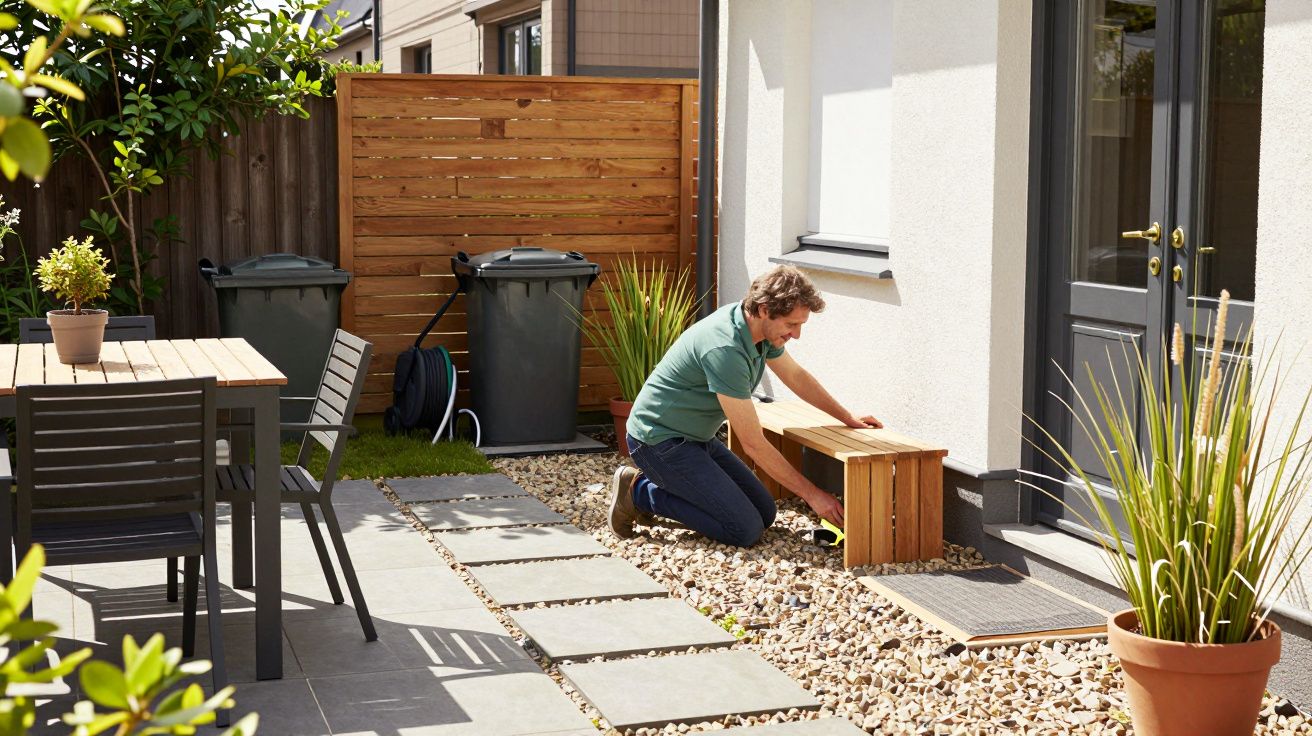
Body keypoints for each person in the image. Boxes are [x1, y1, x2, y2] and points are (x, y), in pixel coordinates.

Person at [609, 265, 882, 546]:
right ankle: (639, 492)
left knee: (765, 513)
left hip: (696, 438)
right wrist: (813, 495)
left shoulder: (758, 332)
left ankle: (676, 490)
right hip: (658, 441)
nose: (796, 335)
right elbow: (752, 442)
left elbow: (795, 376)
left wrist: (847, 417)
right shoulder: (725, 348)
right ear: (764, 309)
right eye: (791, 325)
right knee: (744, 530)